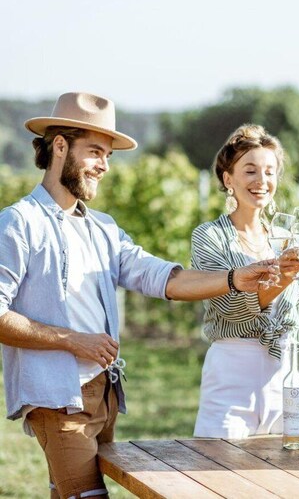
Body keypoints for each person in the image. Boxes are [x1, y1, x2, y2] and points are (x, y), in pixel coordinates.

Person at [0, 92, 278, 499]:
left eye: (108, 155)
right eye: (95, 152)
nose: (104, 166)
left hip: (104, 392)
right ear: (59, 146)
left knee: (67, 492)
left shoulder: (103, 228)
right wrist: (73, 340)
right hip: (58, 399)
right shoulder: (18, 224)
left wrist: (236, 278)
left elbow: (161, 277)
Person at [191, 124, 299, 439]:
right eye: (250, 171)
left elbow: (297, 321)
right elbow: (230, 306)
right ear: (227, 179)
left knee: (282, 479)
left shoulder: (288, 240)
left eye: (270, 172)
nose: (261, 181)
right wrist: (284, 278)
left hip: (284, 380)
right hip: (232, 375)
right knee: (218, 478)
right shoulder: (209, 237)